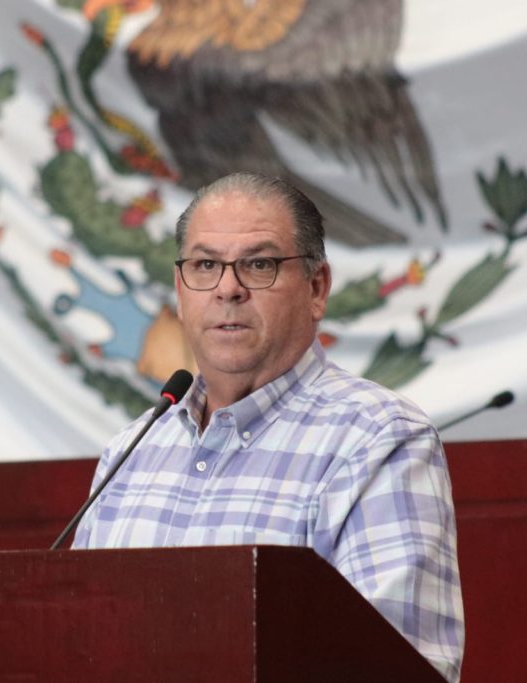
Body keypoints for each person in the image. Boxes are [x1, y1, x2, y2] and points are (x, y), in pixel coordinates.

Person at [73, 172, 464, 681]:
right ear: (180, 289)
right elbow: (76, 646)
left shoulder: (380, 440)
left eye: (259, 264)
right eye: (205, 265)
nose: (227, 289)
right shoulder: (130, 453)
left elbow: (398, 669)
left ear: (316, 288)